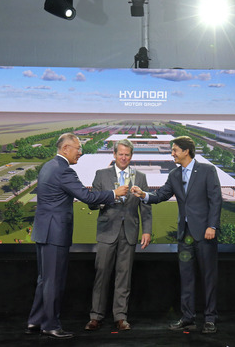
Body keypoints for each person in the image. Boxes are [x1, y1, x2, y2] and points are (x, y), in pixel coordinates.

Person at [26, 133, 128, 339]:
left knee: (44, 280)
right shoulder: (64, 171)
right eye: (77, 148)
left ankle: (35, 321)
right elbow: (87, 196)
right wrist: (114, 194)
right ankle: (50, 325)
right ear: (65, 149)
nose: (80, 152)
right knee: (53, 280)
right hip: (55, 234)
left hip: (42, 231)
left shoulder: (47, 166)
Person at [131, 136, 222, 334]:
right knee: (186, 277)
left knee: (208, 277)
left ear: (186, 151)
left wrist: (212, 226)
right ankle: (188, 317)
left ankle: (210, 318)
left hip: (205, 233)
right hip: (185, 236)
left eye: (175, 150)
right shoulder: (174, 174)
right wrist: (143, 195)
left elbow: (215, 200)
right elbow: (161, 195)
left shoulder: (207, 170)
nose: (172, 153)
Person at [85, 138, 152, 332]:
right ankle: (96, 316)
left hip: (130, 232)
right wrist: (112, 194)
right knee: (102, 274)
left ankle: (120, 317)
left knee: (124, 276)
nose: (123, 157)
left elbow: (145, 208)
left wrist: (147, 230)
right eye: (120, 154)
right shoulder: (101, 175)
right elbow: (92, 203)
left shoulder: (140, 177)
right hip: (107, 232)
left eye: (127, 154)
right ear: (114, 155)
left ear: (131, 156)